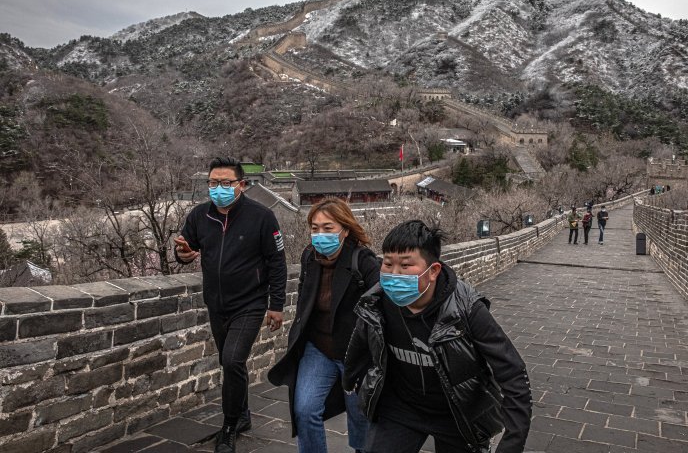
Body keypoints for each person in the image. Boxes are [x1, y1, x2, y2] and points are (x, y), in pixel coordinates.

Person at [343, 220, 532, 453]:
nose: (393, 274)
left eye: (405, 265)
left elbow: (513, 373)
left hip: (456, 411)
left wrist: (512, 443)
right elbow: (360, 340)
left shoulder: (466, 308)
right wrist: (350, 378)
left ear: (433, 271)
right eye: (388, 264)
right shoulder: (377, 303)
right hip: (401, 408)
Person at [175, 157, 287, 453]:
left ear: (241, 185)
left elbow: (277, 262)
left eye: (226, 183)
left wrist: (277, 304)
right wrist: (183, 255)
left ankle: (229, 425)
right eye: (213, 182)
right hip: (216, 304)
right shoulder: (200, 216)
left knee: (233, 360)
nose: (219, 188)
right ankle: (244, 413)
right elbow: (186, 249)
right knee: (230, 363)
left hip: (250, 303)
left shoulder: (261, 217)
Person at [268, 198, 380, 453]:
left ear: (345, 228)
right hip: (318, 348)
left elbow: (380, 307)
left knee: (360, 417)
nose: (320, 234)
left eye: (328, 228)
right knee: (304, 410)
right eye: (315, 228)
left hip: (355, 353)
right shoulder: (310, 256)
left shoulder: (363, 261)